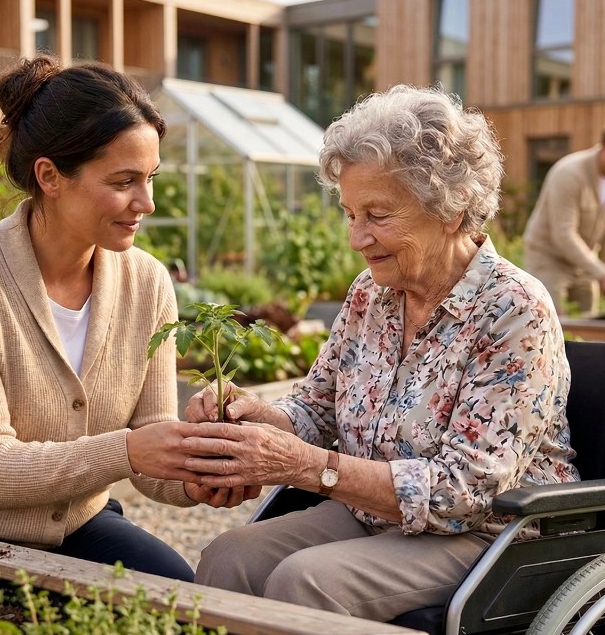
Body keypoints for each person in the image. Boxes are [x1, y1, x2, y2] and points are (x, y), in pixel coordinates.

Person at [178, 84, 580, 622]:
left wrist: (306, 466)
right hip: (374, 516)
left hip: (489, 537)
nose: (356, 238)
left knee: (305, 584)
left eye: (378, 215)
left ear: (452, 209)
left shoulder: (515, 309)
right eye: (350, 214)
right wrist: (258, 419)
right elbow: (315, 410)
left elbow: (464, 492)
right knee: (229, 559)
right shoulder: (371, 295)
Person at [0, 55, 258, 582]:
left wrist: (196, 475)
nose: (146, 202)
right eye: (124, 181)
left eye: (150, 178)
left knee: (180, 595)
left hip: (76, 524)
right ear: (50, 176)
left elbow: (150, 436)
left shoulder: (148, 282)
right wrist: (131, 451)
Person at [522, 117, 605, 316]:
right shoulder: (569, 173)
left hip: (585, 262)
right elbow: (563, 234)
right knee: (549, 321)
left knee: (590, 327)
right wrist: (602, 274)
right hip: (548, 259)